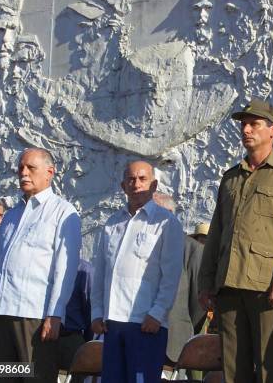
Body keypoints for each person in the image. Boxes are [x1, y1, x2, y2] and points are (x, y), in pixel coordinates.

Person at [198, 98, 273, 383]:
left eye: (254, 124)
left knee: (266, 366)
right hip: (228, 284)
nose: (246, 130)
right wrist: (206, 281)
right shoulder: (231, 178)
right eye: (243, 124)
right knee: (233, 367)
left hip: (266, 285)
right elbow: (216, 233)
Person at [0, 148, 82, 382]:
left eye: (31, 168)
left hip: (35, 316)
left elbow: (65, 269)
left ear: (49, 172)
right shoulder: (10, 215)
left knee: (35, 377)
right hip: (2, 314)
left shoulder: (63, 212)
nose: (23, 173)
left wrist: (55, 315)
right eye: (20, 168)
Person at [91, 161, 183, 383]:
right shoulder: (112, 224)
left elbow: (171, 274)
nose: (136, 184)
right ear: (123, 186)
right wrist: (96, 311)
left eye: (142, 179)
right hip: (112, 321)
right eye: (131, 179)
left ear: (154, 185)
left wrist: (157, 312)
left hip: (145, 322)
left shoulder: (165, 222)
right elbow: (101, 272)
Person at [153, 192, 206, 379]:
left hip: (173, 342)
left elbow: (198, 303)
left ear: (170, 214)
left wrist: (182, 323)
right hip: (140, 338)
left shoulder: (193, 250)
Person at [57, 259, 93, 382]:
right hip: (42, 336)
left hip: (71, 336)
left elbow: (89, 310)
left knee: (78, 375)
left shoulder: (84, 270)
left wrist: (86, 343)